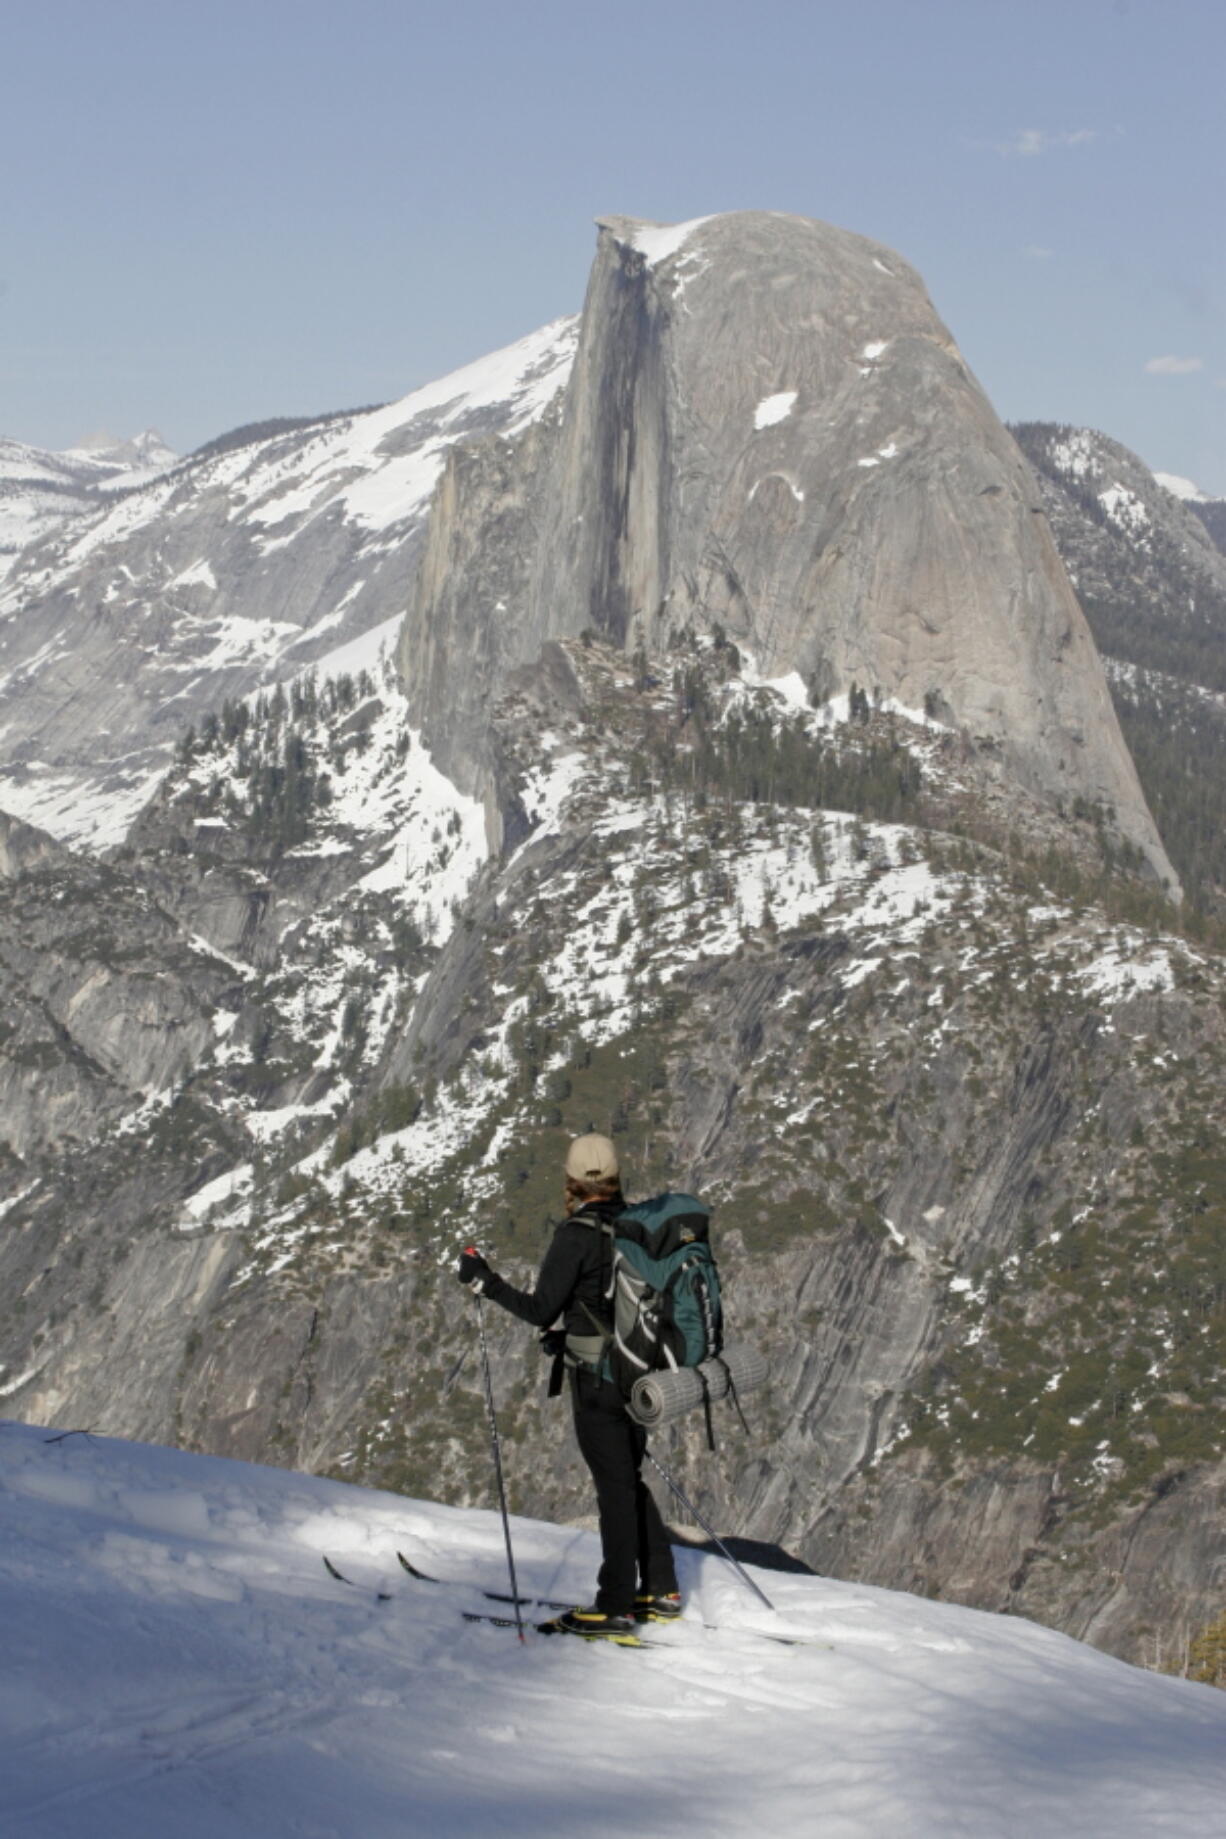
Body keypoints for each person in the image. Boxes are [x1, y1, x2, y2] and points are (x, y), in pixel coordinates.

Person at [456, 1133, 681, 1639]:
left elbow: (541, 1309)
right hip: (639, 1372)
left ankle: (615, 1604)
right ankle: (660, 1588)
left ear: (574, 1181)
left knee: (613, 1489)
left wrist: (483, 1280)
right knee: (628, 1478)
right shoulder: (640, 1227)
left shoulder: (577, 1235)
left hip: (597, 1381)